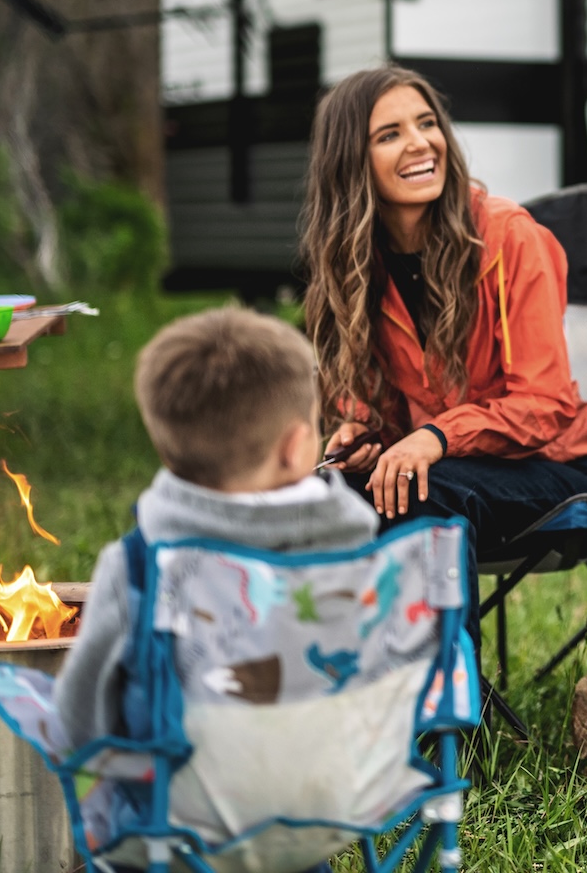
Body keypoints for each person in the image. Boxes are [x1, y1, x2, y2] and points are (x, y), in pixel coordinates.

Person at [300, 66, 587, 609]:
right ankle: (339, 676)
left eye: (427, 124)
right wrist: (364, 434)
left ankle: (450, 689)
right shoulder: (355, 265)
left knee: (426, 495)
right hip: (452, 468)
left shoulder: (509, 236)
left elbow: (546, 405)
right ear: (351, 162)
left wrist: (435, 438)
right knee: (321, 495)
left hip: (558, 470)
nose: (421, 144)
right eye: (390, 135)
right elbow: (381, 404)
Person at [55, 306, 380, 749]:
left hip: (179, 804)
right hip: (332, 797)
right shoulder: (360, 549)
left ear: (166, 448)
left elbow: (79, 724)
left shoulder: (136, 566)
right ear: (295, 446)